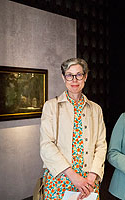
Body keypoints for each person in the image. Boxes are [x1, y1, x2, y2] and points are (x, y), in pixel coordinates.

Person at [40, 58, 107, 200]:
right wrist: (74, 177)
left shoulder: (96, 109)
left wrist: (92, 176)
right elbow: (46, 145)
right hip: (60, 178)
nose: (74, 80)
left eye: (79, 75)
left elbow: (101, 145)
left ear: (86, 76)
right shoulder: (51, 106)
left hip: (88, 181)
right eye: (69, 75)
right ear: (63, 77)